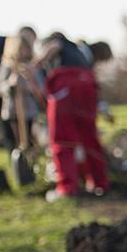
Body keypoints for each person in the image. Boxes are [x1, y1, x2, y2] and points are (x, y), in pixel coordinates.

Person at [34, 32, 113, 201]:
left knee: (63, 141)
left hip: (66, 87)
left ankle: (67, 188)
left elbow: (54, 46)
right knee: (89, 139)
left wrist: (38, 62)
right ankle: (100, 183)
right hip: (87, 87)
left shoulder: (59, 42)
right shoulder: (80, 54)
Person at [0, 26, 41, 150]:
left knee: (30, 143)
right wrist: (10, 85)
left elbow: (40, 89)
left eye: (26, 48)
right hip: (11, 111)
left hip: (29, 111)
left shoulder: (32, 66)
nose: (23, 51)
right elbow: (0, 87)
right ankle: (17, 167)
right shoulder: (7, 65)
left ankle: (29, 166)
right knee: (14, 145)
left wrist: (29, 86)